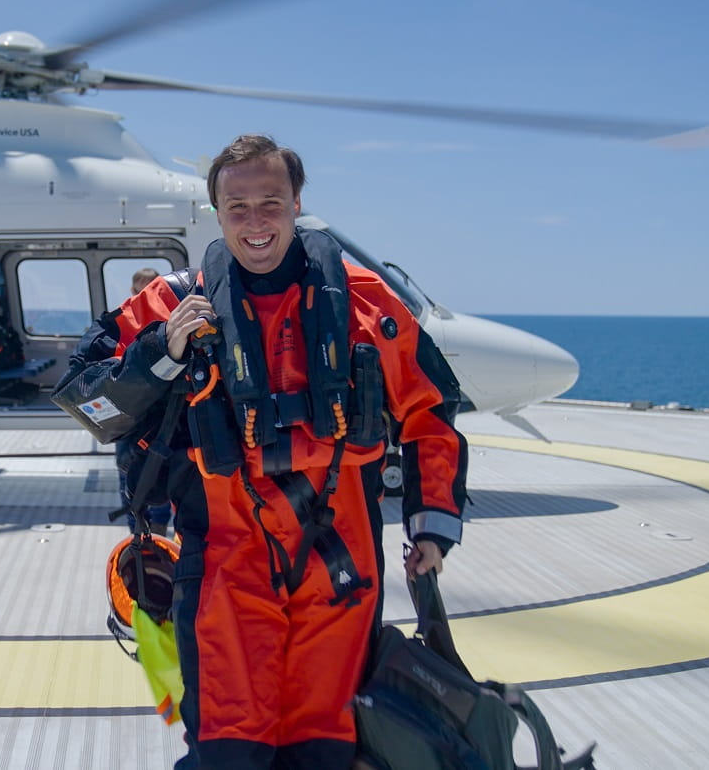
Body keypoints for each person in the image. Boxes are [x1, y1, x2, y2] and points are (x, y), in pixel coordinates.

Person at [54, 133, 468, 768]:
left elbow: (431, 411)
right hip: (226, 571)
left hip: (338, 572)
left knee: (326, 752)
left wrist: (432, 528)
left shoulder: (366, 304)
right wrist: (160, 354)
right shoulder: (171, 304)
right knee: (229, 752)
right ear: (215, 212)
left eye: (270, 202)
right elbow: (89, 404)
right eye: (237, 205)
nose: (255, 221)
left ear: (298, 203)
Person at [118, 266, 174, 536]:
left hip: (163, 414)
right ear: (131, 292)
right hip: (130, 416)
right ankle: (136, 532)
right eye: (140, 289)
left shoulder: (173, 321)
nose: (144, 294)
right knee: (127, 469)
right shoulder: (120, 322)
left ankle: (161, 529)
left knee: (165, 469)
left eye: (151, 288)